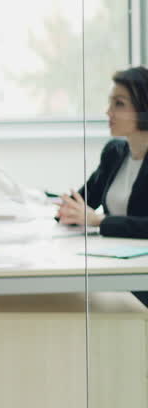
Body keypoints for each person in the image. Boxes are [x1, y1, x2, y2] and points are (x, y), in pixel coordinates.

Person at [57, 66, 148, 306]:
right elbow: (83, 201)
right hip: (113, 265)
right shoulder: (115, 152)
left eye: (119, 104)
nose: (109, 112)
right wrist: (65, 208)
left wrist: (99, 221)